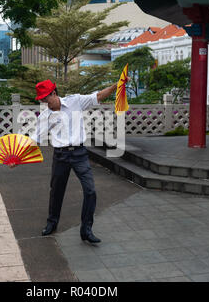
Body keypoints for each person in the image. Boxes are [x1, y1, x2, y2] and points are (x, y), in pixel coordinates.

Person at [9, 79, 123, 244]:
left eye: (45, 98)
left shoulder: (75, 101)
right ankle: (52, 223)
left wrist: (117, 85)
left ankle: (86, 230)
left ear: (54, 93)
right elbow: (34, 139)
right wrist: (17, 158)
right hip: (60, 156)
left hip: (80, 154)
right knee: (56, 191)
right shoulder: (45, 116)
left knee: (90, 191)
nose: (43, 102)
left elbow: (97, 96)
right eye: (41, 99)